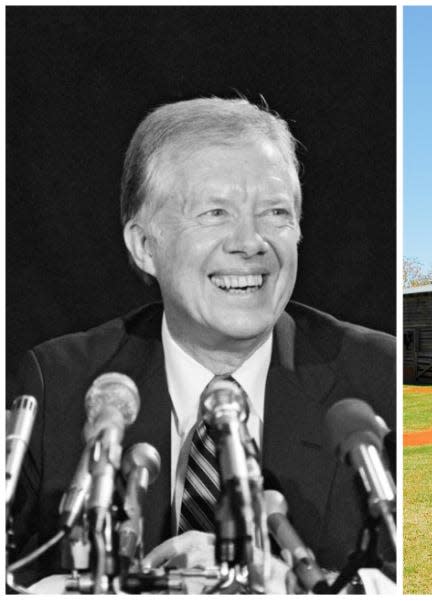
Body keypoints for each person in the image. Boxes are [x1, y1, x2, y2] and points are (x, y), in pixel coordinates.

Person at [6, 97, 396, 591]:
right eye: (215, 212)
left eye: (275, 212)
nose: (250, 242)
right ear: (145, 246)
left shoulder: (377, 380)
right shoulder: (53, 387)